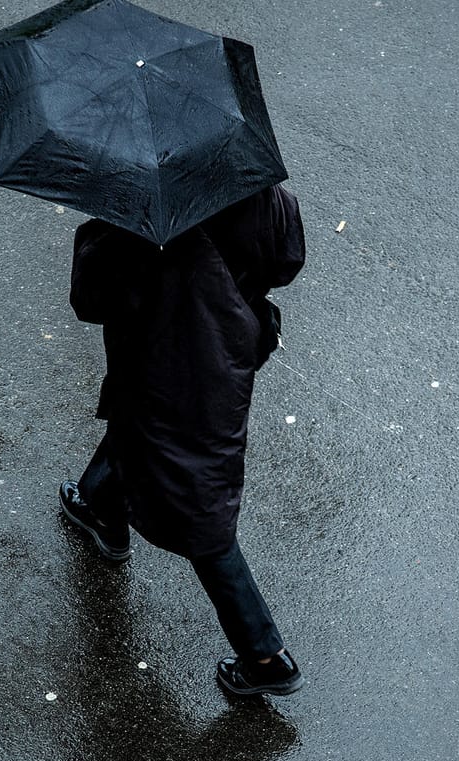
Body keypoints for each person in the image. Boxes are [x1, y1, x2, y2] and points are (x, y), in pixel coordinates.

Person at [59, 184, 307, 696]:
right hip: (225, 356)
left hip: (168, 368)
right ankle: (102, 506)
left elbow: (92, 296)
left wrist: (100, 228)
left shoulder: (142, 212)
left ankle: (264, 654)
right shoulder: (260, 191)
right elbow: (286, 259)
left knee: (197, 502)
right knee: (150, 441)